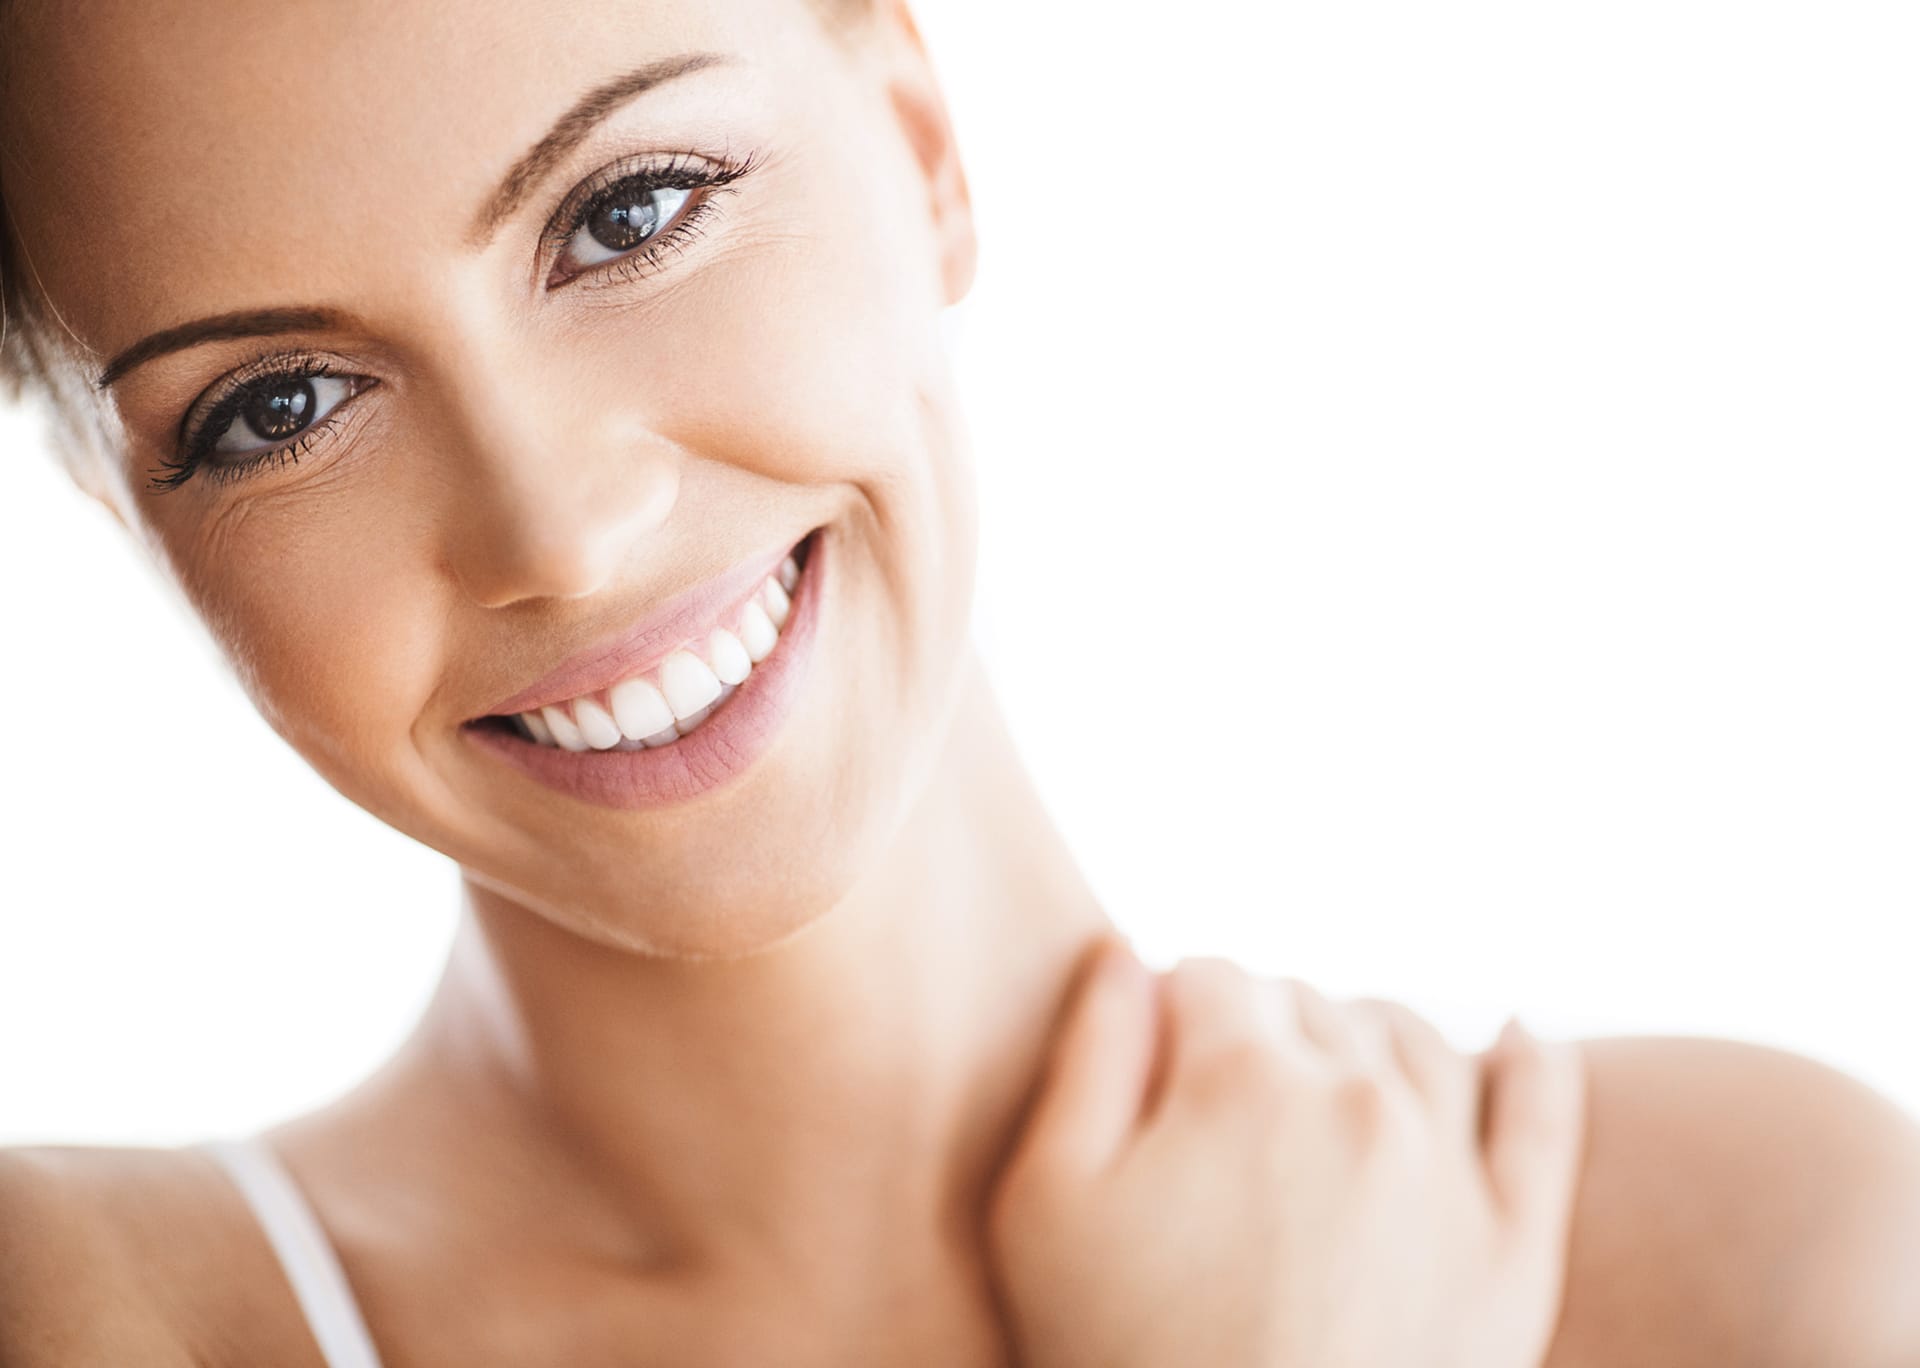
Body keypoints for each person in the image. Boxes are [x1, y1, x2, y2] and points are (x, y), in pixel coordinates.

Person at [0, 1, 1914, 1363]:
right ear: (126, 517)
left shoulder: (1757, 1256)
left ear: (922, 151)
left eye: (631, 211)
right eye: (277, 409)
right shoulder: (103, 1317)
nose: (559, 534)